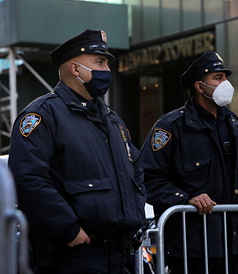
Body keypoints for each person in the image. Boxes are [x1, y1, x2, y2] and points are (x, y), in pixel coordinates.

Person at [8, 29, 147, 274]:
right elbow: (27, 177)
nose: (107, 70)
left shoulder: (112, 120)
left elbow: (136, 171)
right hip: (75, 252)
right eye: (100, 62)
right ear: (75, 69)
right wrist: (68, 229)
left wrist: (133, 218)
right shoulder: (43, 114)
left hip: (118, 252)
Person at [140, 51, 238, 274]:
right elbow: (147, 177)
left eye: (225, 77)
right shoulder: (172, 126)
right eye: (218, 77)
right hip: (190, 243)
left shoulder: (234, 124)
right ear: (199, 86)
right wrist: (186, 199)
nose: (226, 83)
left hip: (230, 240)